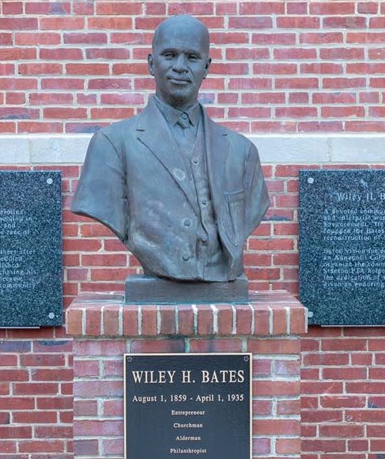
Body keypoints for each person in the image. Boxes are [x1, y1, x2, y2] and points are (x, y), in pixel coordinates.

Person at [71, 15, 269, 283]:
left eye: (192, 57)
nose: (180, 67)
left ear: (207, 67)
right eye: (169, 55)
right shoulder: (111, 144)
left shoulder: (241, 151)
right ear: (152, 64)